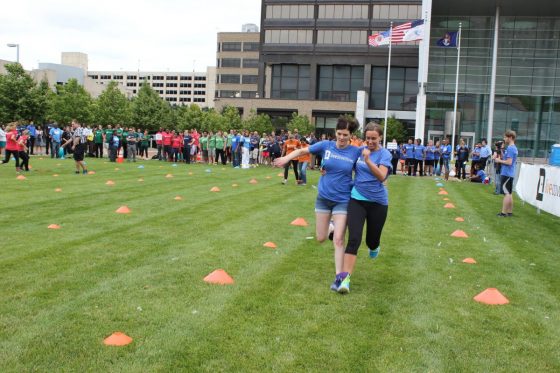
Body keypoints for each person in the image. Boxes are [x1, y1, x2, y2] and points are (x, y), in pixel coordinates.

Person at [274, 117, 362, 292]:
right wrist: (285, 158)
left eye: (345, 135)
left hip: (343, 199)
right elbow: (301, 151)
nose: (342, 138)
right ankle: (330, 227)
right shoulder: (325, 146)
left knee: (338, 240)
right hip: (323, 198)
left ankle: (340, 278)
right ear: (335, 133)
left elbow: (366, 163)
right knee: (321, 238)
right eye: (339, 134)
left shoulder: (355, 151)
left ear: (351, 135)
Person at [338, 122, 392, 293]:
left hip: (378, 203)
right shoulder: (359, 150)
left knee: (371, 240)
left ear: (380, 138)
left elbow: (382, 176)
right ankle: (345, 280)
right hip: (357, 198)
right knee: (354, 239)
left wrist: (368, 160)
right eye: (367, 138)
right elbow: (347, 165)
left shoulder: (385, 154)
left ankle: (374, 247)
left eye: (373, 138)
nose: (370, 141)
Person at [494, 130, 518, 217]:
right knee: (509, 193)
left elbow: (509, 162)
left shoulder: (511, 148)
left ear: (510, 137)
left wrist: (499, 160)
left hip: (507, 173)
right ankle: (510, 212)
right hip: (509, 173)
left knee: (506, 193)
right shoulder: (512, 148)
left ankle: (503, 213)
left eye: (505, 137)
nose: (504, 139)